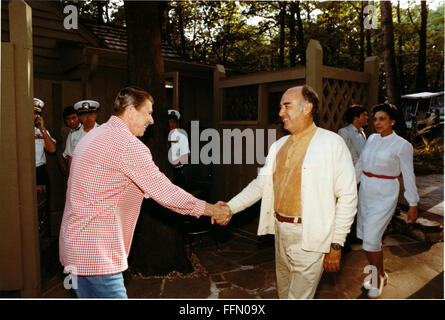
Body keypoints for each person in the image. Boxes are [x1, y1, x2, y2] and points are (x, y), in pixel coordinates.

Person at [59, 86, 231, 299]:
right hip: (98, 256)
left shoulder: (94, 136)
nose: (151, 120)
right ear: (131, 111)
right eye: (148, 113)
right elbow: (165, 192)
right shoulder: (128, 145)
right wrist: (211, 209)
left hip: (74, 250)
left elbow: (114, 185)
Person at [218, 85, 357, 299]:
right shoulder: (279, 145)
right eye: (281, 107)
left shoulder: (332, 143)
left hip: (311, 237)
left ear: (307, 108)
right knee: (283, 293)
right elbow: (260, 185)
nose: (281, 112)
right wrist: (229, 208)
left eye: (287, 106)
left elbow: (348, 197)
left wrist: (336, 244)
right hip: (281, 232)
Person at [355, 103, 419, 298]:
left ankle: (376, 280)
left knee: (371, 239)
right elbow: (360, 165)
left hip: (385, 193)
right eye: (375, 119)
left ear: (392, 121)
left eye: (382, 119)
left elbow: (409, 175)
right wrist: (346, 187)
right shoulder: (372, 139)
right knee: (369, 238)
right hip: (366, 190)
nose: (377, 123)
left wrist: (412, 204)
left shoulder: (402, 145)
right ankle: (380, 273)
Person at [338, 105, 369, 247]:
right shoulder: (344, 132)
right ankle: (346, 238)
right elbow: (342, 153)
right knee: (350, 205)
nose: (367, 117)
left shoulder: (363, 132)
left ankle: (357, 234)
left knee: (362, 205)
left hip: (364, 175)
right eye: (364, 115)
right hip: (351, 174)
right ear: (356, 117)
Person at [34, 98, 56, 235]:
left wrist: (42, 128)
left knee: (42, 207)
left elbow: (52, 149)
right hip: (25, 173)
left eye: (36, 113)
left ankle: (44, 236)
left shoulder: (41, 131)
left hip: (39, 172)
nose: (34, 116)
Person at [63, 100, 100, 171]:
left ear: (95, 115)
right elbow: (71, 159)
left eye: (91, 114)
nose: (88, 117)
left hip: (98, 173)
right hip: (80, 174)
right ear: (79, 117)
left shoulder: (103, 132)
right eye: (84, 114)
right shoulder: (73, 135)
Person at [167, 109, 190, 189]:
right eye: (169, 122)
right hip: (167, 171)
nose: (171, 124)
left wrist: (176, 163)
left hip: (178, 170)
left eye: (173, 122)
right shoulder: (166, 137)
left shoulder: (182, 137)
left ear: (177, 123)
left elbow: (186, 155)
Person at [58, 106, 80, 179]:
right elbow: (61, 152)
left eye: (74, 118)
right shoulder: (64, 132)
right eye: (68, 119)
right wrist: (67, 172)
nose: (71, 121)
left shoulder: (86, 130)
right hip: (70, 171)